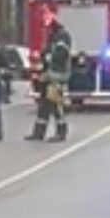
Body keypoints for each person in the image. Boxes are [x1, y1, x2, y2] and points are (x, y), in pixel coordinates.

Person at [25, 8, 72, 142]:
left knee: (56, 104)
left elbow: (61, 54)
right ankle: (39, 132)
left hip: (57, 75)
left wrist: (46, 57)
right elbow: (46, 51)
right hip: (49, 75)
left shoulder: (62, 35)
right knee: (44, 104)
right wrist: (40, 57)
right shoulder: (53, 35)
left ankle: (61, 131)